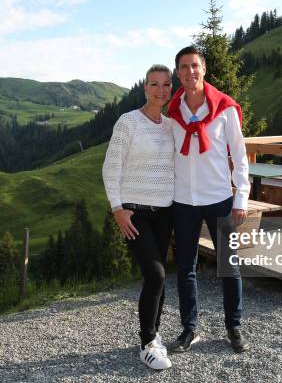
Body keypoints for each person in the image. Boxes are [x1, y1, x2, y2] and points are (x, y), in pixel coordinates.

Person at [168, 46, 251, 354]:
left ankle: (234, 326)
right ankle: (189, 329)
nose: (190, 72)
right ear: (178, 73)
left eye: (195, 66)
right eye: (184, 67)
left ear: (203, 69)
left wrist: (241, 196)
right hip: (183, 201)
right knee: (186, 268)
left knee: (229, 266)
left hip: (219, 198)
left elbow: (240, 157)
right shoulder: (173, 112)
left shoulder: (225, 109)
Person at [102, 64, 175, 370]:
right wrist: (118, 209)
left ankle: (154, 336)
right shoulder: (128, 122)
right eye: (154, 84)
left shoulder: (172, 126)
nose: (160, 90)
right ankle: (146, 343)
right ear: (144, 88)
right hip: (135, 213)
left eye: (166, 84)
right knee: (155, 274)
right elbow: (111, 167)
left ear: (171, 89)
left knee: (160, 278)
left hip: (166, 211)